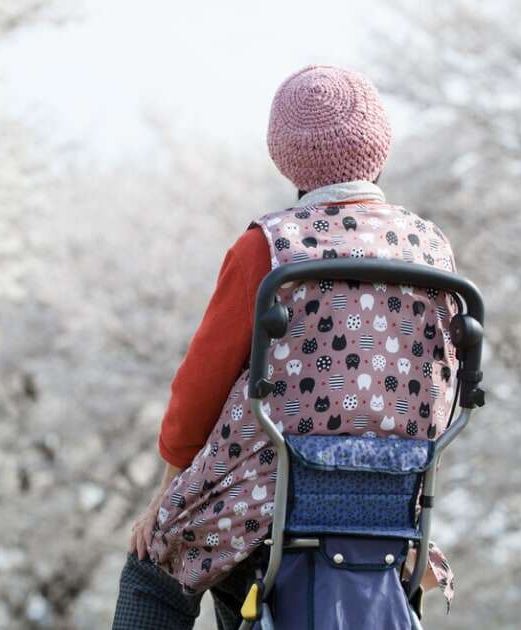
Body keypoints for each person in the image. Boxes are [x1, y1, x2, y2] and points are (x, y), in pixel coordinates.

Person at [112, 65, 456, 630]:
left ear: (283, 154)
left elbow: (200, 385)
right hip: (390, 496)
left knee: (153, 565)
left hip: (269, 493)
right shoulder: (431, 251)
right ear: (380, 145)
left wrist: (167, 495)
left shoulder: (267, 249)